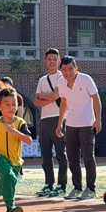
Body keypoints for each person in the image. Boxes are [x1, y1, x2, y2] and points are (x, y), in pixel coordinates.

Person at [56, 55, 102, 200]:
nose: (67, 72)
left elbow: (96, 98)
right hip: (71, 124)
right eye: (64, 70)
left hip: (87, 124)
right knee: (72, 158)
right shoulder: (60, 82)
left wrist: (98, 120)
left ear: (76, 68)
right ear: (61, 70)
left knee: (88, 157)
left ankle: (91, 189)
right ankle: (77, 188)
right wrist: (60, 123)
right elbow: (63, 103)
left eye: (70, 69)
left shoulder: (86, 79)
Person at [0, 86, 32, 212]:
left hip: (15, 160)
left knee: (7, 181)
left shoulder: (20, 123)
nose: (11, 108)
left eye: (14, 104)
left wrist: (15, 133)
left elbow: (29, 140)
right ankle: (10, 209)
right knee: (9, 177)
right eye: (7, 104)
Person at [34, 48, 68, 197]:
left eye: (55, 59)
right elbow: (36, 101)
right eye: (49, 59)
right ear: (45, 62)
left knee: (61, 153)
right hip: (44, 120)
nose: (52, 62)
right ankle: (48, 184)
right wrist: (50, 96)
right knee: (46, 155)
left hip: (59, 118)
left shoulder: (62, 78)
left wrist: (44, 97)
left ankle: (61, 185)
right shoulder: (42, 80)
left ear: (59, 62)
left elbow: (56, 96)